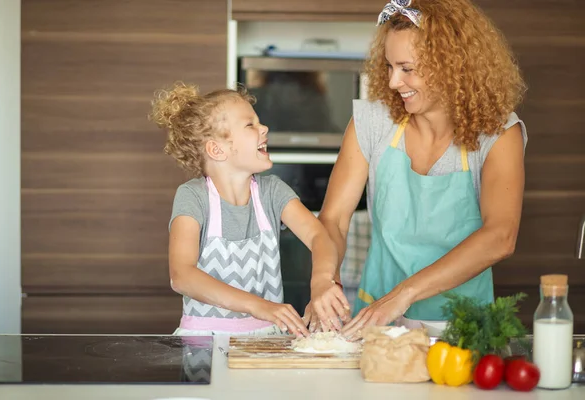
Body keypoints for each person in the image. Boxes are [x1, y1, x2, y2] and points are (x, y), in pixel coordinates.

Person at [312, 0, 528, 338]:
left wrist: (403, 295)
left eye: (407, 68)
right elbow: (334, 219)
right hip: (377, 319)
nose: (394, 82)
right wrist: (324, 278)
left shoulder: (499, 134)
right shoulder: (372, 122)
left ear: (453, 65)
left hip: (463, 325)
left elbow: (500, 236)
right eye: (388, 67)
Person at [149, 82, 349, 336]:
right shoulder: (193, 197)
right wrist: (260, 306)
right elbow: (182, 276)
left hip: (268, 337)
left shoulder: (272, 192)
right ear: (216, 149)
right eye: (250, 125)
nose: (264, 128)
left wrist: (321, 280)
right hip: (203, 340)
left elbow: (319, 236)